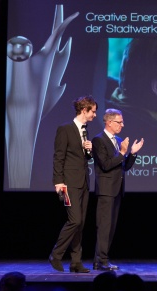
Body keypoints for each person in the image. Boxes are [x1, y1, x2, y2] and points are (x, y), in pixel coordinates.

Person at [49, 95, 97, 273]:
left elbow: (86, 158)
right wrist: (58, 181)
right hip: (68, 183)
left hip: (83, 182)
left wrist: (89, 150)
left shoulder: (85, 130)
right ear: (84, 110)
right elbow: (58, 156)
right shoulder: (65, 129)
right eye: (93, 111)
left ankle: (76, 262)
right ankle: (56, 254)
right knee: (74, 220)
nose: (94, 115)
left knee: (81, 222)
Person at [92, 108, 144, 271]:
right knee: (104, 226)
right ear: (108, 122)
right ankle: (102, 260)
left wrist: (132, 154)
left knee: (111, 226)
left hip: (117, 189)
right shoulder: (98, 140)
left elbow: (124, 167)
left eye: (122, 122)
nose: (122, 124)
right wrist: (122, 152)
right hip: (106, 189)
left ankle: (99, 260)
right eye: (119, 122)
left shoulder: (119, 139)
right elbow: (106, 165)